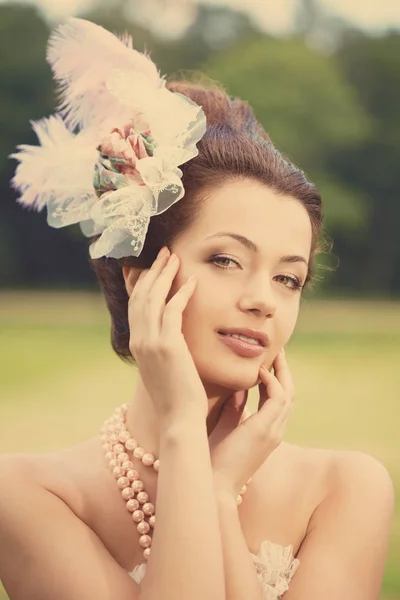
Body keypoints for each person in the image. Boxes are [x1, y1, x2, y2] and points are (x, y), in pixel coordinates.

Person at [0, 17, 394, 600]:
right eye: (226, 261)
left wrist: (216, 490)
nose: (263, 300)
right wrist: (184, 432)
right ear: (141, 278)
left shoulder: (346, 489)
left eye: (289, 278)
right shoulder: (28, 494)